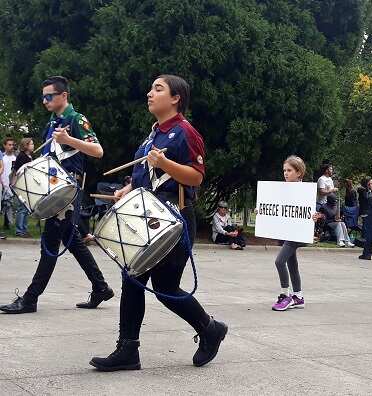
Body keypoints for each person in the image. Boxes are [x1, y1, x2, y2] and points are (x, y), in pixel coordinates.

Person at [90, 75, 227, 370]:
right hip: (149, 218)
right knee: (135, 280)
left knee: (164, 288)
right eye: (151, 88)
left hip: (173, 220)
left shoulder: (185, 132)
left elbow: (196, 177)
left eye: (158, 89)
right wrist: (128, 189)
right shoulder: (152, 135)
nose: (149, 93)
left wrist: (165, 163)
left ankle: (209, 329)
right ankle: (129, 350)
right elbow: (145, 176)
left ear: (176, 98)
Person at [0, 76, 113, 314]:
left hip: (67, 193)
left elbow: (98, 150)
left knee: (49, 245)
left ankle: (30, 299)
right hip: (53, 192)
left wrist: (69, 139)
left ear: (64, 96)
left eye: (49, 96)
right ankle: (100, 286)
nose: (44, 101)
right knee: (72, 242)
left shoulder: (76, 119)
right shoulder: (52, 123)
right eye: (43, 97)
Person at [271, 156, 323, 311]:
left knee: (279, 261)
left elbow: (316, 210)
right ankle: (298, 297)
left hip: (298, 232)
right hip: (288, 231)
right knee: (292, 264)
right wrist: (262, 212)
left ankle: (285, 295)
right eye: (284, 170)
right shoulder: (284, 189)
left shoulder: (304, 191)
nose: (286, 173)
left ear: (299, 172)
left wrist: (316, 215)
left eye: (289, 170)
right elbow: (276, 207)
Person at [11, 138, 34, 237]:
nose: (33, 145)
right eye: (31, 144)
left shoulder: (28, 156)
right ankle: (19, 230)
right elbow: (17, 170)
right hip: (21, 185)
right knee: (22, 208)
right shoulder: (22, 156)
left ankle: (24, 229)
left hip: (26, 184)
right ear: (26, 145)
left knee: (25, 208)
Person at [1, 137, 16, 230]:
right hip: (2, 183)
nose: (11, 146)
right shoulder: (2, 157)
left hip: (12, 184)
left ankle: (8, 224)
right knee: (3, 205)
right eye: (9, 145)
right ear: (4, 146)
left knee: (10, 204)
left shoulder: (15, 158)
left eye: (12, 145)